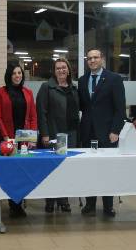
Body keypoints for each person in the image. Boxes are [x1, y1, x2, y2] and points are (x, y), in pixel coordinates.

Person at [78, 48, 126, 217]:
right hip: (87, 134)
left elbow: (120, 109)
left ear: (102, 59)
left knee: (107, 170)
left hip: (107, 134)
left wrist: (115, 130)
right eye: (89, 58)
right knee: (89, 170)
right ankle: (90, 204)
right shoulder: (82, 81)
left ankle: (108, 206)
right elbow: (84, 107)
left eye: (95, 57)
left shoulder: (114, 79)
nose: (92, 60)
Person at [0, 62, 37, 218]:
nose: (17, 76)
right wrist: (6, 137)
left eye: (19, 73)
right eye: (14, 73)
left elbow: (32, 116)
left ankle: (16, 204)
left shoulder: (28, 92)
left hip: (24, 140)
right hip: (6, 139)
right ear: (9, 76)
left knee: (21, 172)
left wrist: (32, 137)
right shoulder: (0, 92)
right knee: (7, 173)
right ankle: (4, 203)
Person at [36, 58, 79, 214]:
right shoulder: (47, 87)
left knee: (67, 169)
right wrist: (45, 134)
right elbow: (41, 113)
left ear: (68, 69)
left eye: (64, 67)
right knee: (53, 169)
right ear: (54, 71)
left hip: (72, 134)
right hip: (55, 134)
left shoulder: (74, 88)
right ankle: (50, 200)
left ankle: (64, 199)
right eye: (58, 68)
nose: (61, 70)